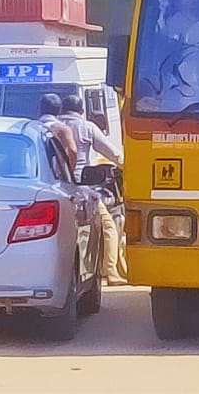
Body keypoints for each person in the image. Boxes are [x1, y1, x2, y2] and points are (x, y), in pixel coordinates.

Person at [60, 94, 128, 286]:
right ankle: (111, 272)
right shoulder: (86, 126)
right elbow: (113, 153)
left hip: (54, 187)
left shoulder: (49, 128)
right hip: (82, 188)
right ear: (81, 110)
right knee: (109, 227)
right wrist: (129, 166)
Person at [37, 93, 78, 166]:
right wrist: (69, 172)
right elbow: (72, 151)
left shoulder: (30, 128)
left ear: (40, 109)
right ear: (60, 110)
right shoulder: (63, 129)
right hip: (55, 174)